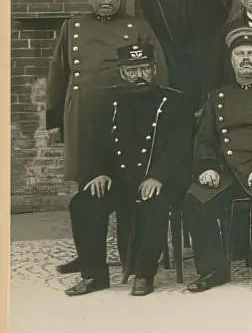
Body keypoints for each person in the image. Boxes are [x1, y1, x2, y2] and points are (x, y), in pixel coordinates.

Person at [63, 42, 191, 297]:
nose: (139, 75)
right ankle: (94, 275)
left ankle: (144, 274)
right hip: (118, 180)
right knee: (82, 204)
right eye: (132, 70)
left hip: (158, 179)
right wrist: (97, 172)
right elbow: (92, 143)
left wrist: (158, 176)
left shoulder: (174, 101)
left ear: (154, 70)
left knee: (153, 204)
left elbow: (180, 148)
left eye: (144, 68)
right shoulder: (104, 102)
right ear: (122, 72)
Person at [183, 27, 252, 292]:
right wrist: (207, 166)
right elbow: (205, 138)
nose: (246, 59)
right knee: (194, 201)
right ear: (231, 60)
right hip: (226, 169)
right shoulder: (217, 96)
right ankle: (213, 271)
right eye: (240, 54)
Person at [46, 0, 163, 200]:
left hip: (127, 110)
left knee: (129, 175)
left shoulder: (138, 27)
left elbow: (158, 71)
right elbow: (58, 74)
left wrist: (158, 112)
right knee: (87, 178)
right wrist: (54, 120)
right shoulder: (72, 27)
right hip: (84, 110)